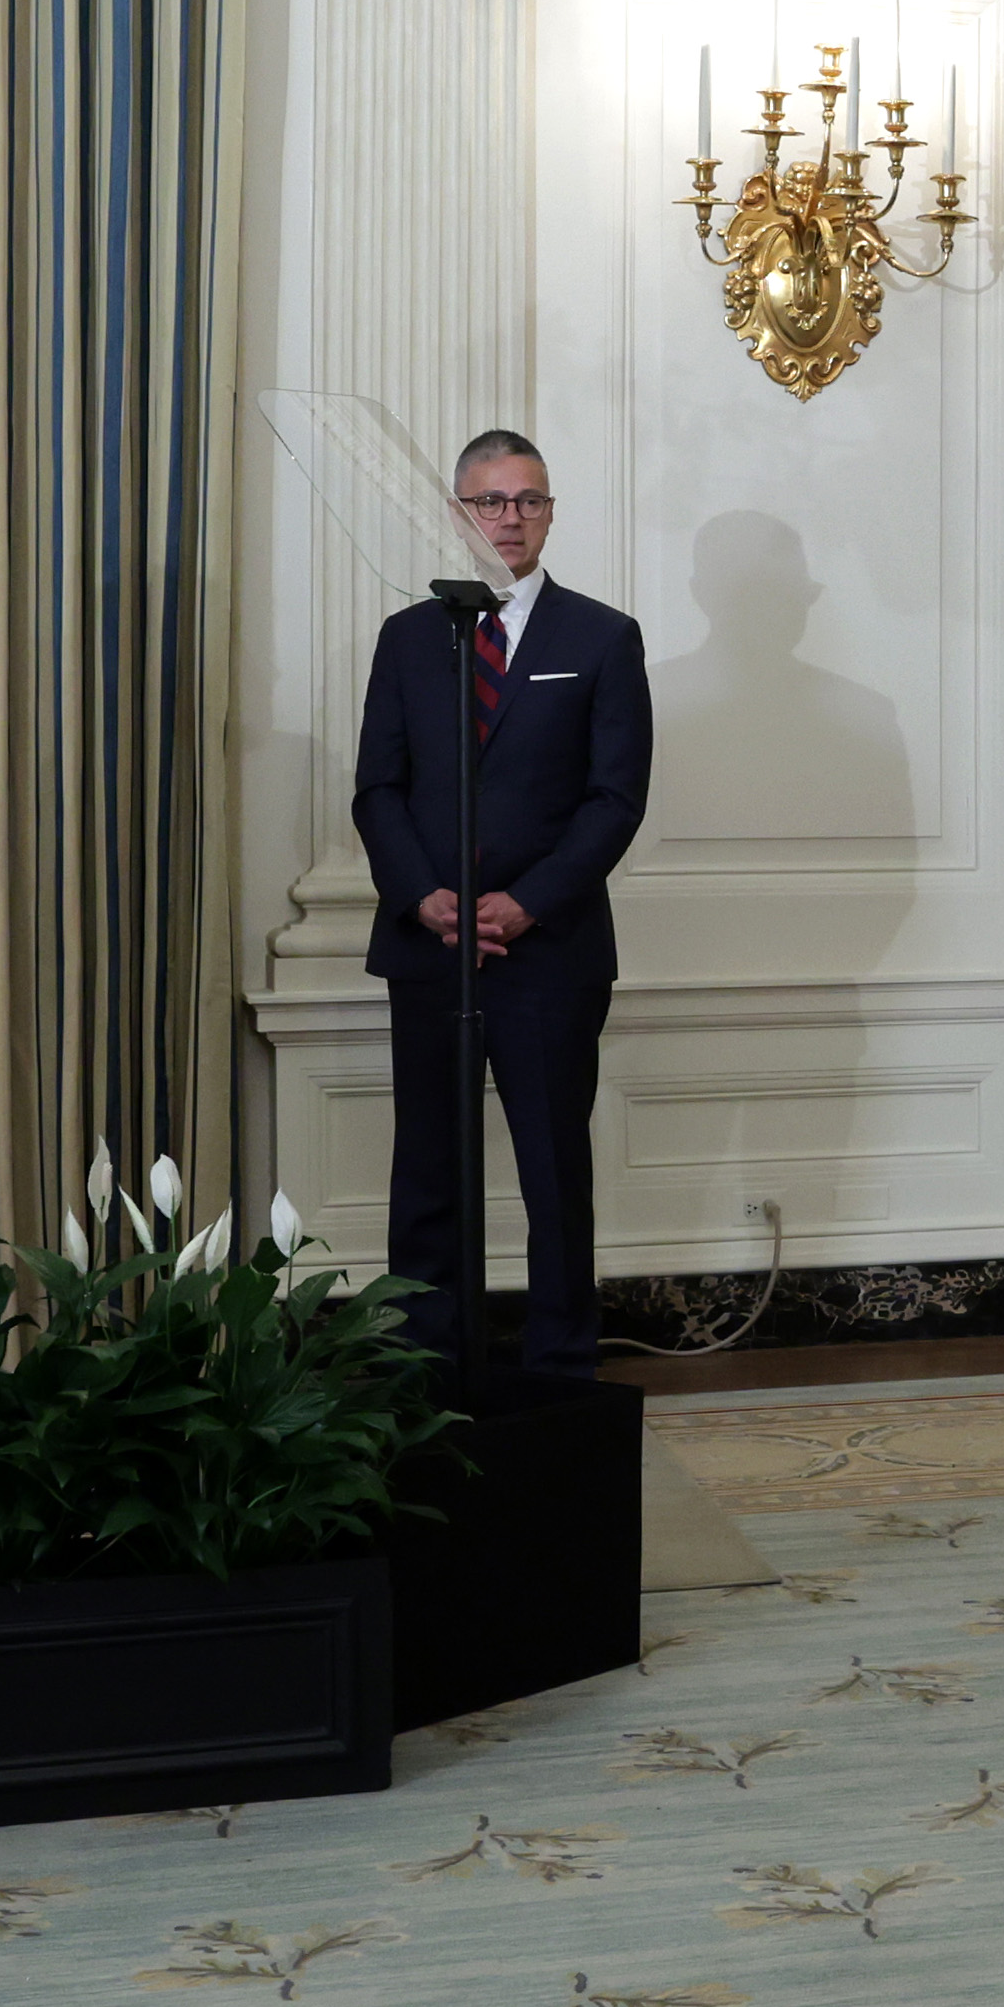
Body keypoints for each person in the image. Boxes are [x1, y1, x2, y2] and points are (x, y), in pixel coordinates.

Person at [353, 430, 652, 1374]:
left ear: (551, 512)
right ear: (457, 513)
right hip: (429, 947)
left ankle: (562, 1361)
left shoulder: (601, 637)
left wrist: (526, 903)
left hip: (550, 951)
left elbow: (616, 799)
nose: (509, 517)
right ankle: (427, 1359)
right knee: (429, 1167)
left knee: (553, 1167)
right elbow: (377, 790)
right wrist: (421, 897)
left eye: (528, 500)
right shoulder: (408, 638)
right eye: (489, 501)